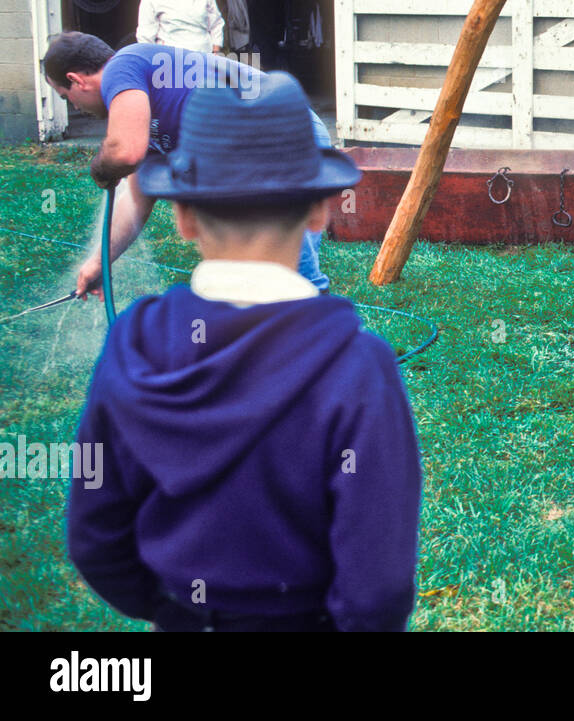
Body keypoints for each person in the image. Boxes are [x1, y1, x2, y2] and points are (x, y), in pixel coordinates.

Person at [65, 74, 421, 631]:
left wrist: (172, 613)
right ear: (319, 212)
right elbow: (377, 589)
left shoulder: (131, 345)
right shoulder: (359, 368)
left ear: (182, 216)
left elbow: (93, 536)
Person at [42, 31, 337, 293]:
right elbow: (136, 198)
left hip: (286, 135)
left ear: (76, 80)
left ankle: (318, 339)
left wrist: (100, 168)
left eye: (66, 97)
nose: (76, 107)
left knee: (294, 277)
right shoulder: (149, 106)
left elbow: (124, 152)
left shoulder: (123, 64)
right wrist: (99, 262)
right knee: (258, 277)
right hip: (259, 148)